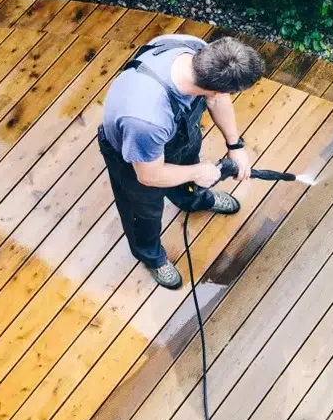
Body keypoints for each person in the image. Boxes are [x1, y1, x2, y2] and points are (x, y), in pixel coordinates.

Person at [98, 33, 264, 289]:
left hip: (179, 139)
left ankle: (192, 200)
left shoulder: (196, 51)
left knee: (188, 177)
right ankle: (152, 257)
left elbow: (216, 98)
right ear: (217, 86)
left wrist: (235, 145)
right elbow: (149, 176)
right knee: (144, 214)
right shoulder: (146, 118)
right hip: (136, 162)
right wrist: (197, 171)